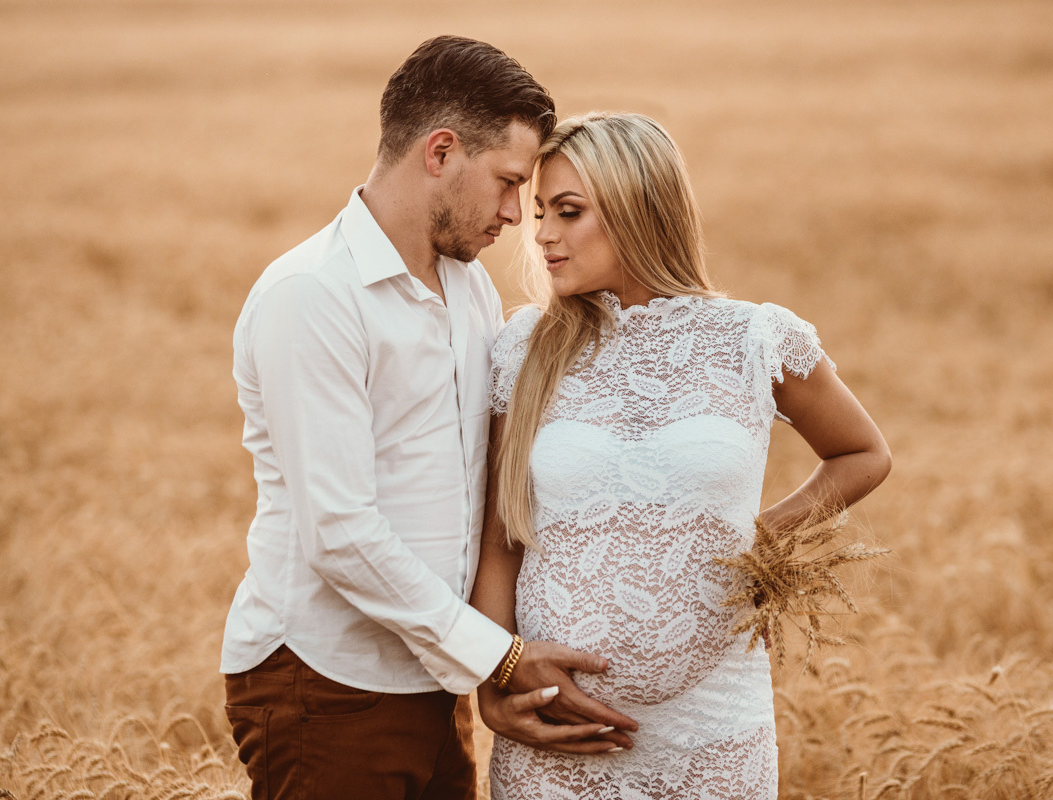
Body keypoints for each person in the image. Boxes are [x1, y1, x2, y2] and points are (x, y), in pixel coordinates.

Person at [219, 37, 634, 800]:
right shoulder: (312, 296)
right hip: (324, 683)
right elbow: (339, 531)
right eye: (509, 182)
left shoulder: (469, 289)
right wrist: (500, 658)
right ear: (440, 151)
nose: (518, 214)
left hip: (431, 679)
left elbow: (482, 484)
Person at [470, 112, 892, 799]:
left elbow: (862, 452)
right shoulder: (525, 349)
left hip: (716, 731)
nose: (541, 232)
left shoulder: (753, 339)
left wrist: (754, 542)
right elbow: (499, 541)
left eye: (568, 211)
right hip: (557, 737)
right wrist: (499, 677)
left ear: (640, 207)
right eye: (540, 211)